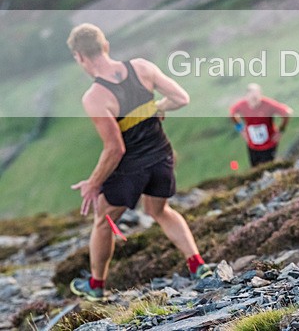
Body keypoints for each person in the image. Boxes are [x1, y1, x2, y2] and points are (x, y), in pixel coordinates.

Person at [67, 23, 211, 301]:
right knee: (161, 211)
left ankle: (96, 286)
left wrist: (93, 184)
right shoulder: (142, 67)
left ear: (80, 57)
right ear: (105, 45)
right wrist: (156, 108)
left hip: (130, 169)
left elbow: (115, 149)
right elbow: (181, 98)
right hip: (161, 156)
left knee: (103, 219)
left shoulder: (95, 97)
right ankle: (198, 265)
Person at [229, 83, 293, 167]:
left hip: (269, 144)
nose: (254, 101)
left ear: (260, 95)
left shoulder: (268, 104)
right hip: (252, 144)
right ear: (247, 96)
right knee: (254, 168)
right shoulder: (242, 105)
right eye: (252, 98)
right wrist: (240, 128)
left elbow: (287, 112)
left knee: (268, 168)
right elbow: (232, 114)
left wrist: (281, 130)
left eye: (256, 98)